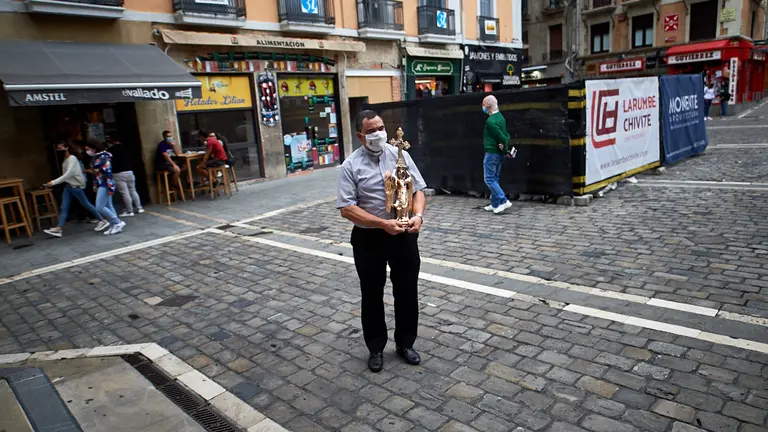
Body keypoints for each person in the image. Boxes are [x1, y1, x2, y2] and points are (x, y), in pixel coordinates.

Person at [336, 109, 427, 373]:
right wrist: (381, 223)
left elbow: (418, 189)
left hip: (403, 233)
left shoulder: (401, 154)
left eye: (380, 128)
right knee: (372, 293)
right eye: (371, 131)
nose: (378, 134)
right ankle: (375, 347)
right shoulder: (351, 165)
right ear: (360, 135)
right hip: (370, 236)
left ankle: (405, 343)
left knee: (407, 289)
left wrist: (418, 216)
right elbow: (346, 208)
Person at [42, 142, 105, 238]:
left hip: (75, 186)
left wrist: (53, 182)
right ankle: (59, 228)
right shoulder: (67, 159)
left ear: (66, 148)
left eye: (60, 148)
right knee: (64, 207)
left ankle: (102, 220)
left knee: (85, 204)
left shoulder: (72, 159)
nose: (58, 150)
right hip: (69, 185)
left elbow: (68, 174)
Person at [84, 139, 125, 235]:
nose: (87, 151)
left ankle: (117, 222)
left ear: (94, 148)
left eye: (88, 149)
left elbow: (108, 173)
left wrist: (110, 186)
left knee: (100, 206)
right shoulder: (99, 157)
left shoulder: (102, 157)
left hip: (105, 184)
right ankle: (114, 225)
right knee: (108, 205)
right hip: (102, 183)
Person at [481, 95, 513, 214]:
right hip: (498, 153)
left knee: (489, 178)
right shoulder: (501, 118)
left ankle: (503, 200)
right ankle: (495, 203)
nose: (483, 107)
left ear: (488, 106)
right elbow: (506, 135)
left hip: (492, 152)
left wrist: (504, 146)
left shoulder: (491, 121)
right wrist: (505, 148)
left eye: (483, 104)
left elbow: (501, 137)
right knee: (495, 178)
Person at [108, 138, 144, 217]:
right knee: (133, 190)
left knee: (125, 193)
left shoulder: (111, 150)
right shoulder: (128, 148)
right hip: (129, 172)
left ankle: (129, 211)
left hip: (118, 173)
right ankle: (139, 207)